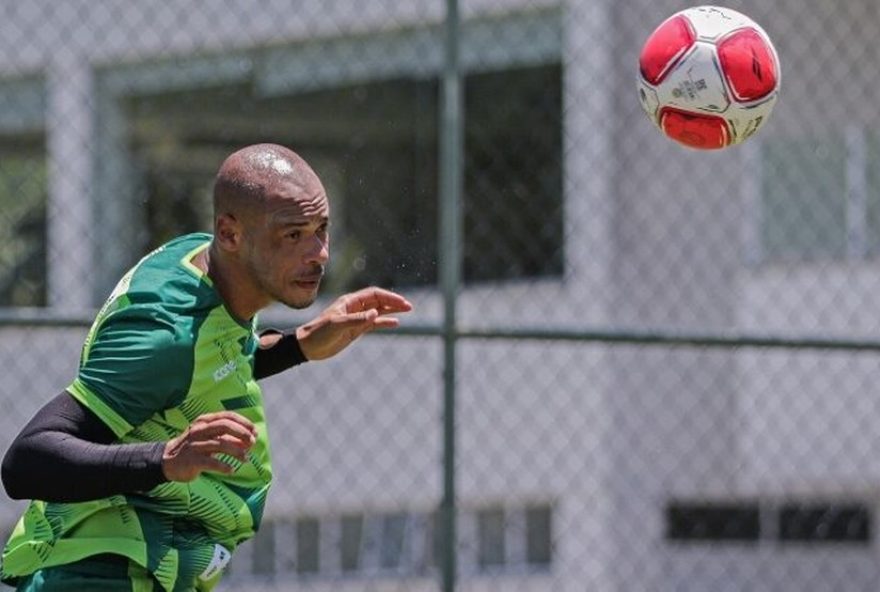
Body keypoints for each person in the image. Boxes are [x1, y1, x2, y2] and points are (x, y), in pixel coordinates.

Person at [0, 143, 412, 591]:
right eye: (293, 235)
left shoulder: (202, 262)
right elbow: (28, 460)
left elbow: (207, 363)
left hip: (148, 567)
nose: (319, 253)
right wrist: (165, 459)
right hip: (102, 572)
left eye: (321, 229)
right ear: (231, 234)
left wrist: (299, 346)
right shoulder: (166, 339)